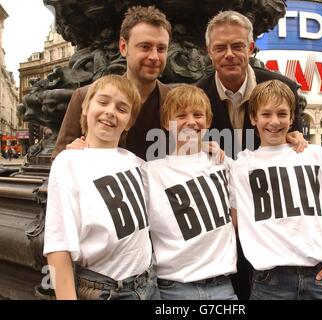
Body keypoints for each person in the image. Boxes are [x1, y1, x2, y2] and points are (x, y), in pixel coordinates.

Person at [229, 80, 322, 300]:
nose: (274, 121)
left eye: (282, 114)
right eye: (266, 114)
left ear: (291, 118)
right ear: (253, 118)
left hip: (320, 278)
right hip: (269, 282)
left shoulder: (316, 155)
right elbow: (235, 219)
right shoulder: (240, 166)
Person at [43, 75, 159, 300]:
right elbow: (58, 245)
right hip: (104, 289)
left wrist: (200, 145)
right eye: (103, 102)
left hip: (149, 282)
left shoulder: (135, 163)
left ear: (130, 121)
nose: (110, 112)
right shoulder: (68, 163)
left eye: (122, 108)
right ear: (86, 108)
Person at [141, 85, 238, 300]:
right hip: (173, 289)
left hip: (223, 287)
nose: (191, 121)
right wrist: (82, 146)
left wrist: (293, 139)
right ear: (167, 123)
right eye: (181, 115)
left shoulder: (224, 164)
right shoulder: (149, 173)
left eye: (198, 115)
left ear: (208, 121)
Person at [52, 5, 172, 160]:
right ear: (123, 47)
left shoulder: (176, 101)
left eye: (161, 49)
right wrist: (70, 155)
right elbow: (60, 159)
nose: (154, 56)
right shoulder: (85, 96)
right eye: (145, 47)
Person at [197, 10, 306, 158]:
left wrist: (295, 140)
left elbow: (297, 150)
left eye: (237, 46)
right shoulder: (197, 95)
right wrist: (192, 148)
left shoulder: (285, 88)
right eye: (220, 48)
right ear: (209, 51)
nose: (229, 54)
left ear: (250, 48)